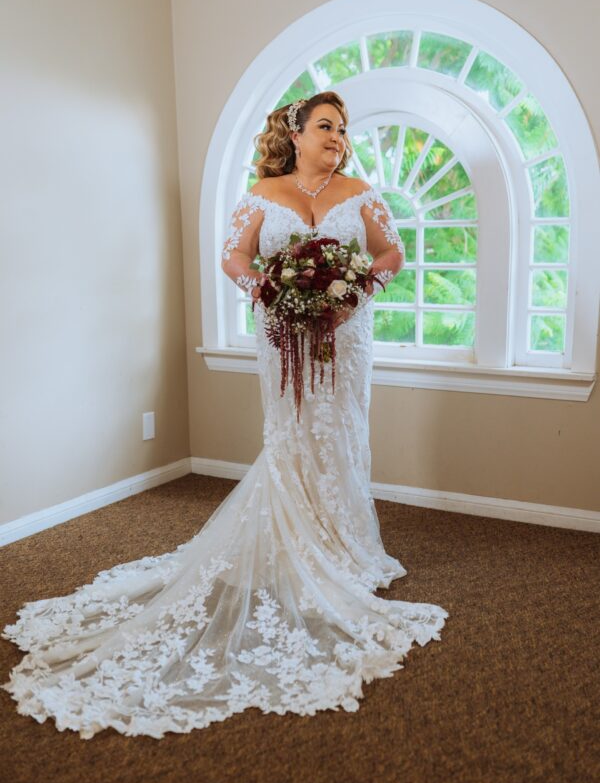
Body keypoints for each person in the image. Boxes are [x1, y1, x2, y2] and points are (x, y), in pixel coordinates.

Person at [1, 91, 448, 740]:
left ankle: (345, 547)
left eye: (344, 128)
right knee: (292, 433)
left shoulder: (359, 190)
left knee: (342, 431)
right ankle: (295, 547)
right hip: (283, 333)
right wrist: (266, 287)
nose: (338, 136)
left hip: (346, 336)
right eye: (326, 125)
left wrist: (354, 291)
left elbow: (391, 255)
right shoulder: (262, 194)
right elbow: (234, 257)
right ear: (295, 133)